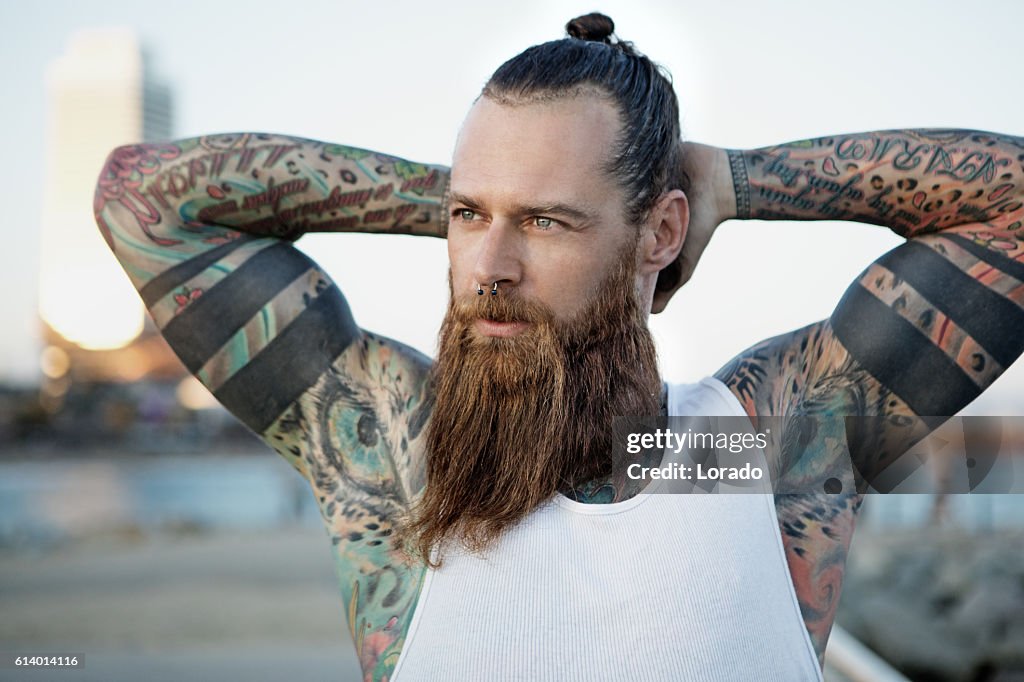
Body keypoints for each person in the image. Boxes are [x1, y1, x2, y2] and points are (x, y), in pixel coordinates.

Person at [92, 12, 1024, 681]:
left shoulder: (754, 449)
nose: (488, 266)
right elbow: (148, 197)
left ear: (660, 234)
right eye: (468, 218)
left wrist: (735, 181)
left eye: (545, 221)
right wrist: (480, 190)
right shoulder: (394, 449)